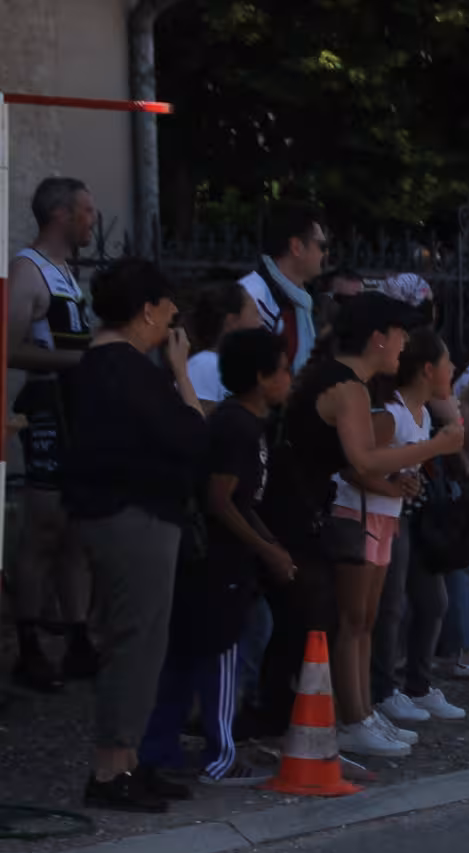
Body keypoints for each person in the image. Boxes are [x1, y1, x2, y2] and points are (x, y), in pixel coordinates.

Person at [61, 259, 208, 811]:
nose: (174, 320)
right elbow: (191, 436)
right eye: (169, 308)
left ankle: (127, 760)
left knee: (139, 639)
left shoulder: (100, 365)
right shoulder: (127, 368)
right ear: (147, 310)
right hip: (134, 517)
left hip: (122, 514)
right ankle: (111, 768)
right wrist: (182, 373)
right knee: (136, 641)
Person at [140, 327, 294, 787]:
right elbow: (221, 500)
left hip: (218, 560)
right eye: (283, 370)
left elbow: (243, 501)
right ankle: (220, 757)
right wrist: (265, 549)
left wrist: (270, 544)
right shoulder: (235, 427)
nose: (289, 379)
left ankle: (160, 749)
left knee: (186, 657)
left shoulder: (246, 423)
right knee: (222, 655)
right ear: (261, 377)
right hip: (218, 563)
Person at [314, 296, 463, 756]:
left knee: (368, 619)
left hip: (383, 517)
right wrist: (393, 484)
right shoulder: (388, 413)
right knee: (355, 621)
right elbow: (354, 467)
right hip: (357, 516)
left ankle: (364, 711)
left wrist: (399, 485)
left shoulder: (417, 414)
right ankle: (353, 716)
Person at [7, 176, 99, 692]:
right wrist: (77, 361)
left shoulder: (67, 271)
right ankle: (28, 643)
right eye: (86, 211)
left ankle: (78, 637)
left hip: (77, 408)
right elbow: (8, 348)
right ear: (61, 214)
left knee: (77, 526)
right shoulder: (28, 270)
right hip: (47, 406)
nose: (92, 221)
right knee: (45, 525)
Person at [374, 328, 469, 727]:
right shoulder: (390, 413)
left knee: (433, 602)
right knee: (391, 606)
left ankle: (418, 683)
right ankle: (383, 690)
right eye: (447, 363)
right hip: (388, 517)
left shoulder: (425, 414)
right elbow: (364, 464)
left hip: (415, 515)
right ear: (428, 369)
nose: (454, 369)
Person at [239, 205, 329, 372]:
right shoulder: (251, 296)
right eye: (321, 246)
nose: (325, 254)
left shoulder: (302, 300)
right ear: (296, 247)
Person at [184, 281, 262, 407]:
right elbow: (199, 417)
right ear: (232, 321)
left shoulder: (235, 367)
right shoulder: (204, 364)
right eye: (256, 313)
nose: (261, 323)